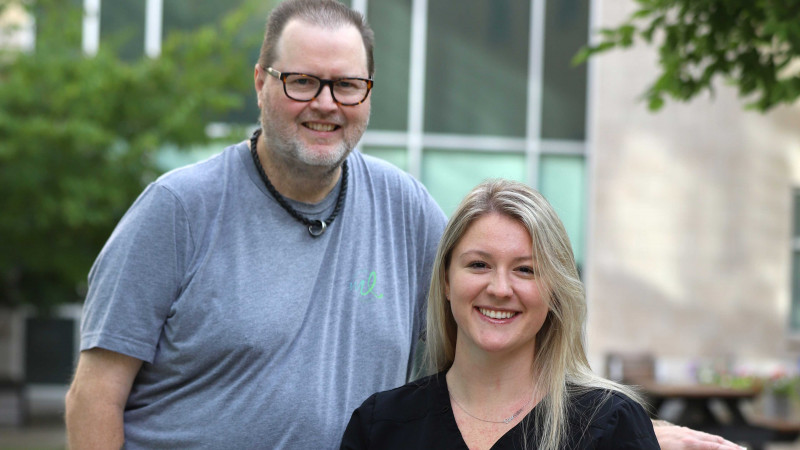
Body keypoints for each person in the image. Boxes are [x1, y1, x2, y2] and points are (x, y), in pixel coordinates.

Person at [65, 0, 743, 449]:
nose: (324, 104)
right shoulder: (178, 209)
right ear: (262, 83)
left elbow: (500, 314)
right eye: (302, 81)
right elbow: (95, 392)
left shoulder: (405, 207)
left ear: (367, 93)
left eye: (345, 85)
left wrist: (628, 428)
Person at [340, 179, 660, 449]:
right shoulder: (380, 426)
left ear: (555, 293)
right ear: (446, 281)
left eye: (525, 270)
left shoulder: (611, 425)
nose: (500, 288)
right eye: (479, 264)